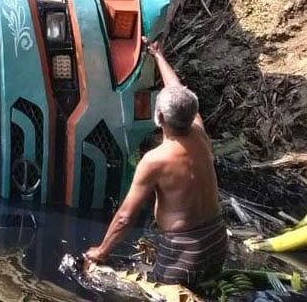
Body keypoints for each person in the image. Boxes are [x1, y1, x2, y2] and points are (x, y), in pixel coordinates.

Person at [84, 37, 225, 288]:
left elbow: (125, 218)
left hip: (183, 253)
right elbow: (177, 90)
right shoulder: (199, 131)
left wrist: (101, 250)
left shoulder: (155, 160)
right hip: (217, 241)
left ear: (159, 118)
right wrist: (158, 56)